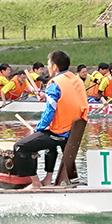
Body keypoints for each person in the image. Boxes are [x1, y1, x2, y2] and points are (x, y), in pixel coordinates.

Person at [14, 50, 88, 189]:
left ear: (54, 67)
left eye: (48, 65)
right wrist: (46, 96)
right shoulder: (76, 80)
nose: (47, 68)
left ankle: (35, 184)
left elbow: (50, 112)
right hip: (74, 132)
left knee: (19, 147)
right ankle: (48, 179)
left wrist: (38, 129)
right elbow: (66, 99)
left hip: (61, 133)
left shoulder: (55, 83)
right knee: (49, 141)